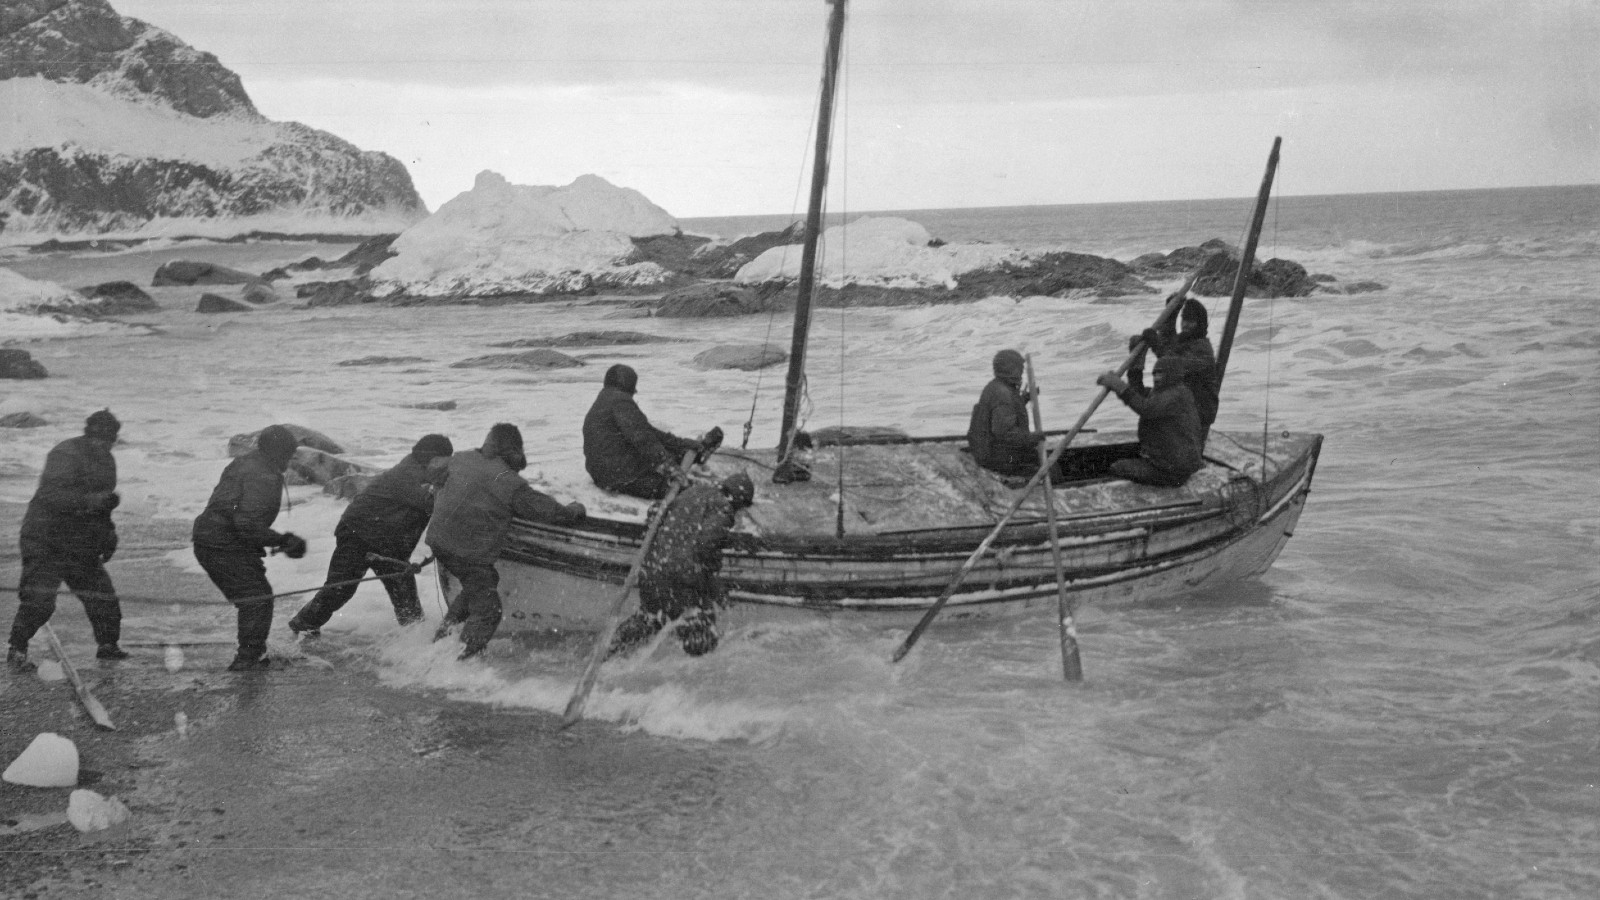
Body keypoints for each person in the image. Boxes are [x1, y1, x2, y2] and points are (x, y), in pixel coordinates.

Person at [427, 424, 586, 660]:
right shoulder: (509, 482)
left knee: (479, 586)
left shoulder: (460, 459)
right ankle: (459, 663)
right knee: (489, 610)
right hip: (467, 552)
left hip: (438, 541)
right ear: (513, 452)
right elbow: (548, 512)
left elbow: (433, 469)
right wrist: (574, 510)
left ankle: (438, 644)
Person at [287, 434, 454, 637]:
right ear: (435, 460)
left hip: (388, 543)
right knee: (340, 589)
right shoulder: (407, 476)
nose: (449, 467)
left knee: (406, 598)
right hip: (358, 534)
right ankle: (302, 626)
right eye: (447, 462)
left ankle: (416, 644)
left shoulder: (424, 473)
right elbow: (438, 506)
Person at [8, 410, 128, 671]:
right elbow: (51, 495)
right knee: (39, 601)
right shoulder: (65, 453)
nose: (104, 443)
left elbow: (104, 506)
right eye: (100, 437)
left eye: (110, 439)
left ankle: (108, 646)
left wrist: (108, 535)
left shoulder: (107, 460)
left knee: (103, 597)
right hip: (45, 538)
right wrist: (91, 501)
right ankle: (17, 649)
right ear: (88, 434)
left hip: (79, 541)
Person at [191, 424, 308, 671]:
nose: (290, 459)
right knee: (257, 598)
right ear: (277, 452)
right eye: (288, 453)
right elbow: (246, 523)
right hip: (221, 544)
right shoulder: (264, 475)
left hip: (211, 538)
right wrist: (283, 541)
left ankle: (252, 652)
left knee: (255, 595)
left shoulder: (245, 462)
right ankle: (247, 659)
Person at [608, 472, 755, 659]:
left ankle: (609, 651)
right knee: (701, 632)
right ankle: (692, 675)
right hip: (680, 578)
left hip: (652, 569)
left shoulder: (691, 492)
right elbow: (706, 545)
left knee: (651, 617)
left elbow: (655, 512)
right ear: (739, 501)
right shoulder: (723, 508)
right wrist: (714, 584)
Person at [583, 364, 708, 500]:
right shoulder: (621, 402)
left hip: (602, 473)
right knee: (691, 492)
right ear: (629, 387)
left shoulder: (605, 400)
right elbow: (643, 439)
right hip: (620, 476)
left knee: (669, 459)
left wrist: (681, 444)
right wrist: (669, 466)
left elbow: (647, 431)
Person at [1095, 355, 1205, 487]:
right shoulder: (1165, 392)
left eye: (1161, 374)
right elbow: (1138, 393)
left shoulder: (1176, 394)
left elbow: (1146, 409)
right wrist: (1136, 367)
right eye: (1155, 374)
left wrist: (1118, 385)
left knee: (1117, 467)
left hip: (1171, 470)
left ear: (1172, 375)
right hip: (1170, 461)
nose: (1156, 378)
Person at [1136, 297, 1219, 438]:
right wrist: (1171, 313)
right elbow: (1168, 340)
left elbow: (1173, 365)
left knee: (1149, 403)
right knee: (1139, 393)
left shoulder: (1203, 350)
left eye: (1191, 321)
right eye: (1184, 319)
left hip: (1198, 411)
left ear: (1200, 324)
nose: (1185, 325)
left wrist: (1155, 344)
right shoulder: (1185, 340)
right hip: (1180, 403)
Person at [967, 349, 1048, 479]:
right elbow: (1005, 433)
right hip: (1000, 458)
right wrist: (1031, 438)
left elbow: (1006, 411)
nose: (1021, 372)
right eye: (1019, 368)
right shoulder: (1002, 393)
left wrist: (1024, 399)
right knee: (1050, 468)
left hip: (990, 452)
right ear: (1010, 369)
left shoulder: (995, 386)